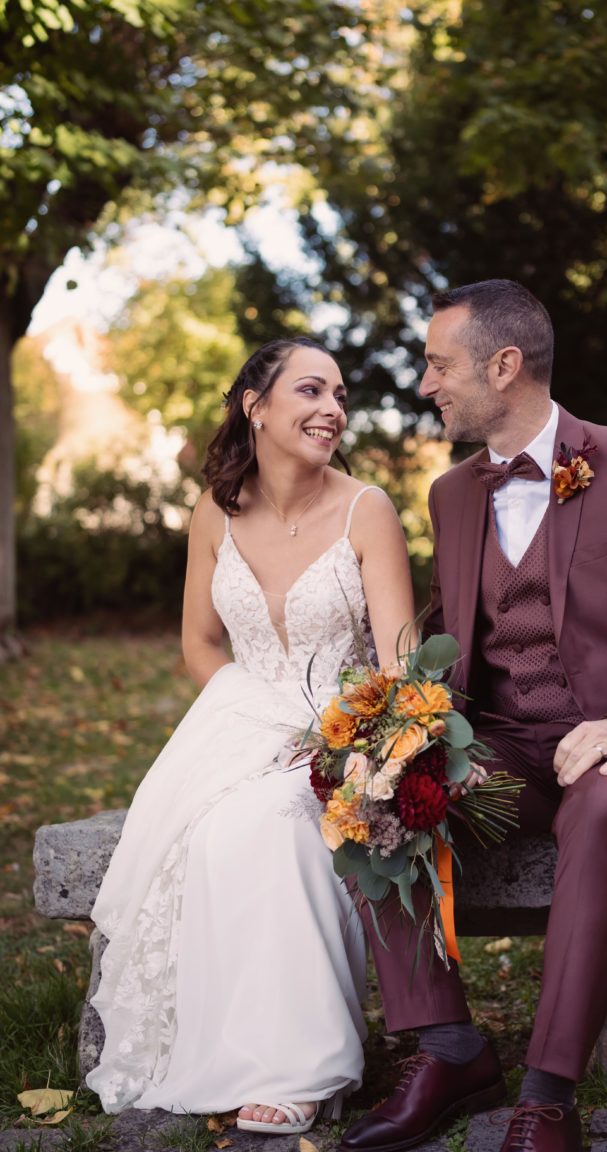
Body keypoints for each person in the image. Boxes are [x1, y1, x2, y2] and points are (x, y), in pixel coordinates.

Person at [340, 280, 607, 1152]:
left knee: (598, 810)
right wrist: (407, 732)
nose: (427, 384)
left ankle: (548, 1096)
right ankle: (448, 1050)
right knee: (375, 798)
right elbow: (456, 630)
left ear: (503, 366)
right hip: (505, 742)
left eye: (440, 365)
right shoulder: (452, 494)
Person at [85, 338, 415, 1131]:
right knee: (202, 835)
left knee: (268, 822)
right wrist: (252, 709)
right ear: (255, 405)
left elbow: (404, 666)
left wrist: (344, 742)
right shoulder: (214, 511)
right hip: (237, 725)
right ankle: (228, 1048)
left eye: (340, 394)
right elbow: (199, 643)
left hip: (342, 744)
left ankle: (305, 1066)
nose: (332, 408)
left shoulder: (367, 510)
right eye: (310, 390)